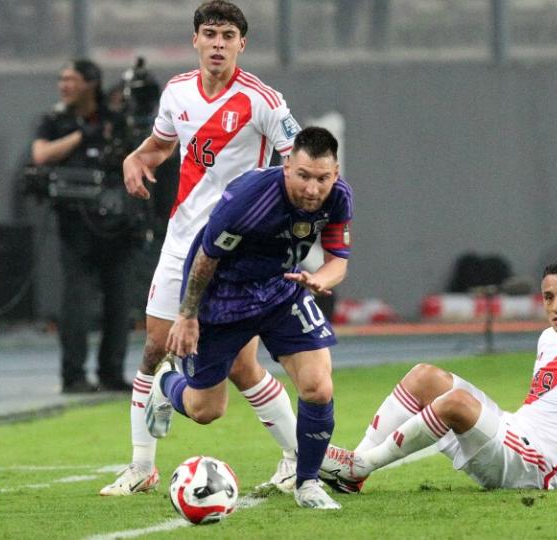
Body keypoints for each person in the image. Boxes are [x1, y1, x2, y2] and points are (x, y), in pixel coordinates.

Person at [105, 1, 305, 497]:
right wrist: (136, 157)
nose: (218, 43)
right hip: (182, 240)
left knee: (235, 374)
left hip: (239, 251)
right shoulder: (176, 92)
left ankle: (296, 458)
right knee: (153, 346)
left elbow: (297, 165)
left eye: (228, 35)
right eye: (210, 34)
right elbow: (160, 143)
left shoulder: (264, 102)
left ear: (242, 44)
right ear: (195, 40)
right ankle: (141, 466)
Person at [319, 259, 557, 493]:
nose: (556, 306)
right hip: (514, 435)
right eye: (549, 297)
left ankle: (362, 465)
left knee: (454, 403)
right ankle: (356, 468)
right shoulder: (547, 339)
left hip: (533, 465)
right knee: (424, 377)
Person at [145, 126, 352, 509]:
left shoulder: (337, 198)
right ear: (287, 165)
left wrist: (319, 280)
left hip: (280, 289)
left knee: (318, 386)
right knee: (205, 410)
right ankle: (165, 383)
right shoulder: (250, 198)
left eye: (322, 178)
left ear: (335, 174)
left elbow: (338, 258)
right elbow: (205, 256)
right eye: (303, 176)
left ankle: (306, 482)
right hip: (223, 300)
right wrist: (188, 315)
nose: (312, 189)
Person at [31, 59, 134, 394]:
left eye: (71, 79)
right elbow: (42, 155)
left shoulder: (116, 121)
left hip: (117, 227)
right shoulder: (54, 120)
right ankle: (73, 375)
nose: (63, 85)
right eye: (61, 79)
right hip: (75, 226)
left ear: (90, 83)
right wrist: (80, 136)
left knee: (118, 303)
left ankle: (111, 372)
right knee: (75, 303)